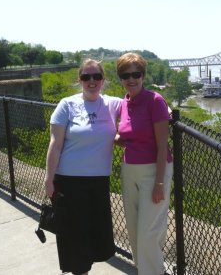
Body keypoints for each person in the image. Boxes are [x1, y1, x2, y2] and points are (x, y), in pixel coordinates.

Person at [44, 59, 122, 275]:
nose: (92, 81)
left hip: (98, 181)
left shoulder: (112, 104)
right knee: (74, 235)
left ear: (103, 80)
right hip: (69, 181)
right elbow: (55, 144)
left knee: (95, 235)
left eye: (96, 76)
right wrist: (49, 179)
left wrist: (166, 109)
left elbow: (141, 102)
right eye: (86, 77)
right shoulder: (66, 105)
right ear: (79, 80)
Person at [116, 52, 173, 275]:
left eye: (136, 73)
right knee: (134, 233)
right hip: (129, 171)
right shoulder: (124, 103)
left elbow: (161, 145)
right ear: (120, 77)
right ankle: (145, 270)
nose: (131, 79)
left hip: (154, 172)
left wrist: (159, 183)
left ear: (143, 75)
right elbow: (128, 137)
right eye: (125, 74)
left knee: (148, 235)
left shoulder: (155, 101)